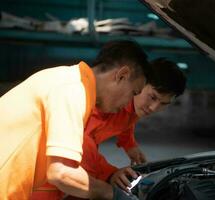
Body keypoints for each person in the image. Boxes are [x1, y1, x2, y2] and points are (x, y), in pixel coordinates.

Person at [0, 40, 151, 200]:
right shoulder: (72, 90)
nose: (129, 103)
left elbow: (83, 155)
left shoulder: (69, 82)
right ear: (122, 75)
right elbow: (62, 173)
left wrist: (110, 175)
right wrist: (114, 194)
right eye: (133, 93)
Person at [31, 58, 187, 199]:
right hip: (48, 165)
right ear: (141, 83)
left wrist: (130, 145)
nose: (153, 108)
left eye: (163, 104)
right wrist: (110, 173)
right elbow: (83, 143)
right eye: (152, 97)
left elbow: (127, 123)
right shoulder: (108, 102)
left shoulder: (137, 106)